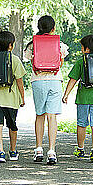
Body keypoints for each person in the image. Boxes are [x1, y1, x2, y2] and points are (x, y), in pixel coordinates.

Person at [23, 15, 69, 165]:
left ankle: (38, 149)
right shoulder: (59, 44)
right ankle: (51, 151)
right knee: (52, 116)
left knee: (40, 115)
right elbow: (60, 62)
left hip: (38, 81)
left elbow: (30, 60)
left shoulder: (32, 44)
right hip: (55, 80)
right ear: (53, 28)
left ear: (39, 27)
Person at [62, 34, 93, 163]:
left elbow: (73, 79)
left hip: (83, 98)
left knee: (82, 124)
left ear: (87, 49)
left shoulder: (81, 61)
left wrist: (66, 94)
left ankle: (80, 148)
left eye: (82, 47)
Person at [0, 30, 26, 163]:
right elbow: (19, 81)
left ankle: (0, 152)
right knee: (12, 125)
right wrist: (22, 98)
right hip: (11, 98)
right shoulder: (14, 59)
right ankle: (13, 151)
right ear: (11, 45)